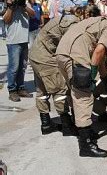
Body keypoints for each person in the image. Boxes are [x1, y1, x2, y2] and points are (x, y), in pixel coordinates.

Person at [56, 13, 107, 157]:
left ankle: (83, 127)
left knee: (75, 94)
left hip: (62, 53)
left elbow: (100, 57)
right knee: (83, 97)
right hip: (75, 55)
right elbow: (99, 51)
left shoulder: (95, 21)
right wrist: (90, 77)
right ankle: (85, 145)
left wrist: (104, 79)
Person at [29, 7, 86, 135]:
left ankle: (46, 124)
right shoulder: (73, 24)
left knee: (42, 90)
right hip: (45, 58)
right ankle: (66, 125)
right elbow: (72, 46)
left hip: (36, 55)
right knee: (60, 90)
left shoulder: (65, 19)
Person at [3, 0, 35, 101]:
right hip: (13, 41)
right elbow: (6, 20)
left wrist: (24, 6)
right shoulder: (7, 3)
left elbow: (32, 14)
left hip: (24, 39)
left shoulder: (25, 2)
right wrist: (10, 7)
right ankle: (12, 90)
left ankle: (21, 88)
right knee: (13, 67)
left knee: (22, 66)